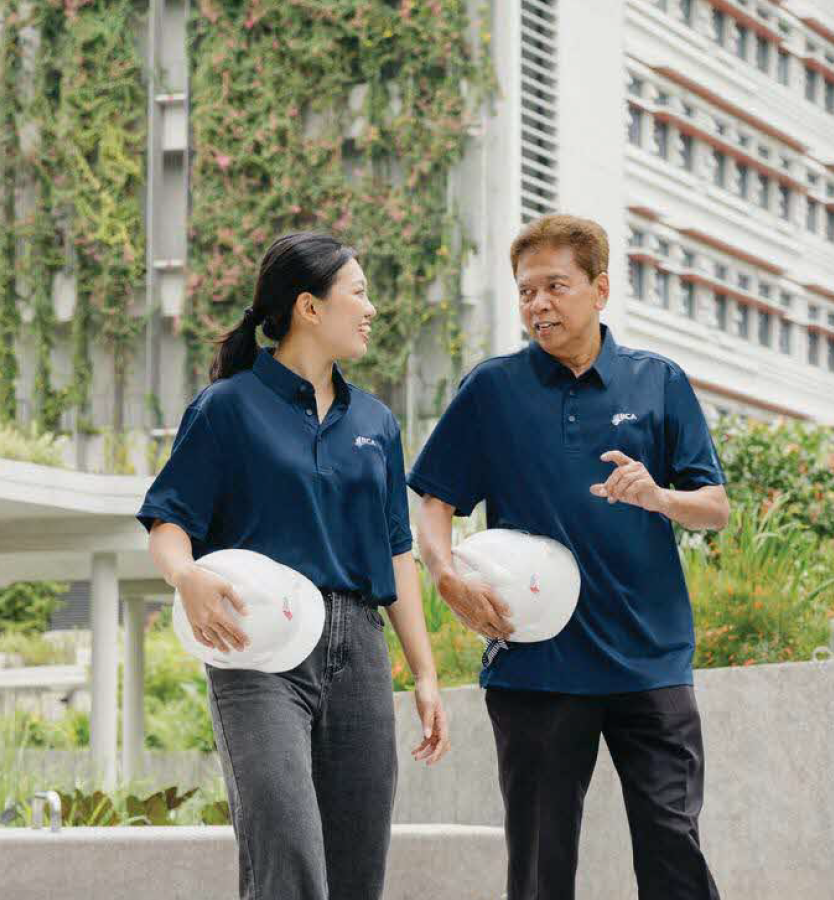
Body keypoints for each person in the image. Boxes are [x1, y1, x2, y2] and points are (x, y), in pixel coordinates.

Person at [407, 214, 731, 900]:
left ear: (600, 289)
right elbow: (434, 498)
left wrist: (659, 497)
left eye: (555, 286)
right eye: (526, 292)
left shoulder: (659, 382)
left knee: (674, 848)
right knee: (539, 869)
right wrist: (443, 574)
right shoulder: (491, 390)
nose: (538, 304)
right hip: (536, 670)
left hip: (651, 661)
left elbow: (716, 506)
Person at [137, 231, 448, 900]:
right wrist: (186, 577)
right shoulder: (226, 409)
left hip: (359, 650)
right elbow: (168, 527)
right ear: (310, 306)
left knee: (357, 868)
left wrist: (424, 672)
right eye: (359, 293)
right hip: (257, 651)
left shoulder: (376, 423)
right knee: (287, 852)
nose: (371, 309)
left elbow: (398, 554)